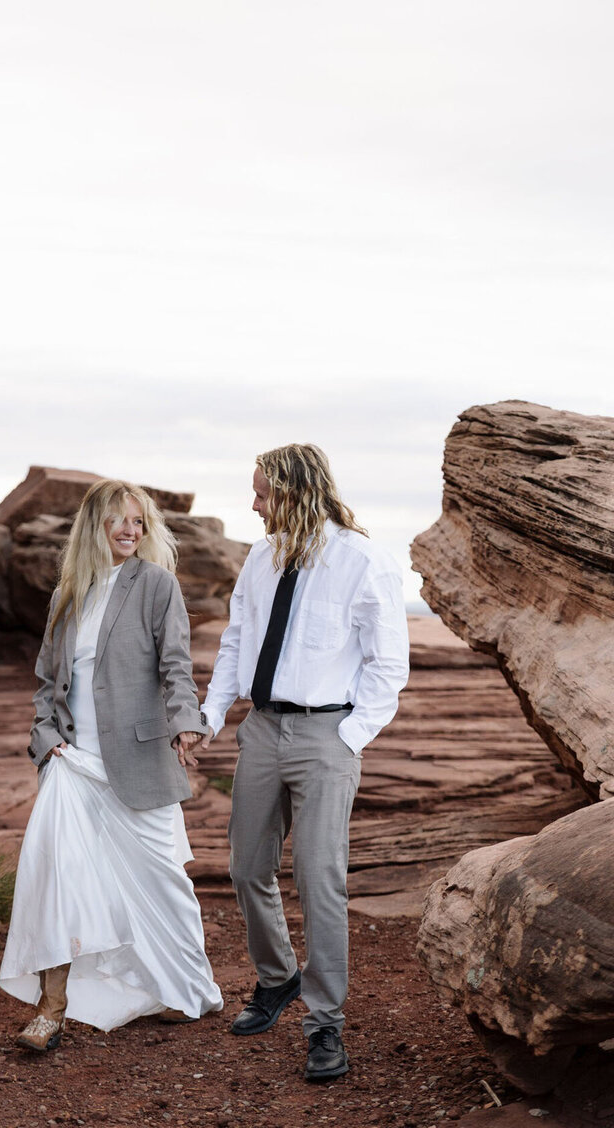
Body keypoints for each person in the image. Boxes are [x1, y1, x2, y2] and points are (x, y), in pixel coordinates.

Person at [194, 444, 409, 1082]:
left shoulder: (361, 559)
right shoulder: (260, 557)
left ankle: (325, 1026)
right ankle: (277, 979)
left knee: (321, 883)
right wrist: (211, 714)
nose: (253, 504)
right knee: (246, 867)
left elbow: (388, 663)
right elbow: (237, 641)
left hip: (326, 736)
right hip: (261, 731)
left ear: (292, 492)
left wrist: (351, 735)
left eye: (262, 493)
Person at [0, 479, 222, 1049]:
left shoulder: (156, 585)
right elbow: (48, 682)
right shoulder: (68, 592)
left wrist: (186, 720)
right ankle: (52, 1005)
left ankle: (188, 988)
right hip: (71, 761)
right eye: (120, 520)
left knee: (164, 880)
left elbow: (175, 665)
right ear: (94, 525)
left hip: (138, 757)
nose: (130, 530)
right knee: (57, 875)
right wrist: (45, 743)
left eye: (140, 522)